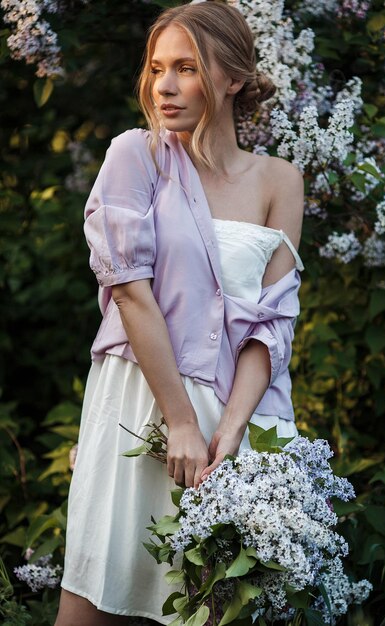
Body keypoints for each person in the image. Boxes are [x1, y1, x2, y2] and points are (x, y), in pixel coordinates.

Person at [55, 1, 304, 624]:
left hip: (239, 419)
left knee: (214, 608)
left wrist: (232, 432)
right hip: (143, 404)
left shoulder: (280, 181)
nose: (164, 86)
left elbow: (270, 327)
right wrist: (181, 423)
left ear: (233, 78)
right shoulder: (134, 157)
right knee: (95, 600)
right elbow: (131, 291)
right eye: (156, 67)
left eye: (186, 68)